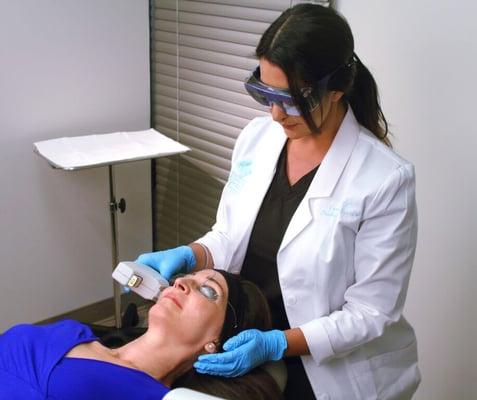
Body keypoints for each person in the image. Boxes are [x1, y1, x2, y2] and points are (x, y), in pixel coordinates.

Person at [137, 3, 421, 400]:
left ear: (335, 89)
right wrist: (191, 254)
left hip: (326, 362)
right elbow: (230, 236)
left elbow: (371, 314)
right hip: (243, 338)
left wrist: (276, 344)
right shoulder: (256, 138)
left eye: (289, 100)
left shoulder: (385, 179)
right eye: (265, 93)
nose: (274, 114)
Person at [0, 270, 282, 400]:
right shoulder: (76, 331)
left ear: (217, 343)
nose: (182, 282)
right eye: (185, 278)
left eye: (209, 291)